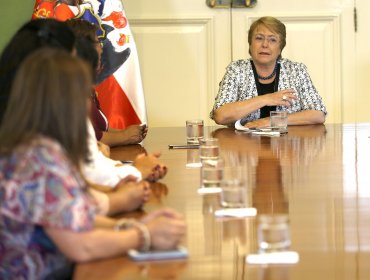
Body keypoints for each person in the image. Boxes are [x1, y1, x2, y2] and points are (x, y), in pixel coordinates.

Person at [0, 48, 186, 279]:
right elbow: (81, 245)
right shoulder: (36, 159)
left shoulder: (36, 145)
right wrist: (145, 234)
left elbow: (73, 214)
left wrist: (129, 226)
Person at [210, 16, 327, 128]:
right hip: (245, 144)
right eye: (259, 38)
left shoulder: (296, 70)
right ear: (250, 44)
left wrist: (271, 121)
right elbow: (220, 116)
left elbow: (318, 114)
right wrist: (266, 99)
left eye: (272, 40)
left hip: (287, 145)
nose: (265, 45)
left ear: (280, 47)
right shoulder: (236, 70)